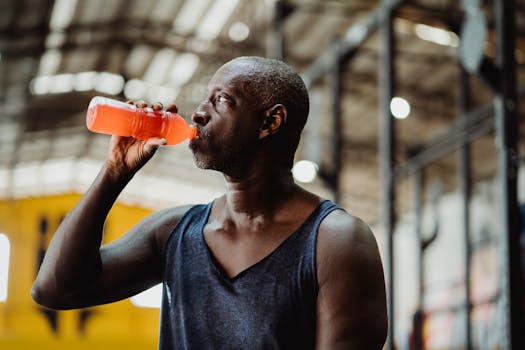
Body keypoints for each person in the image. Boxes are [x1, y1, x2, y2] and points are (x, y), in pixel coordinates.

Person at [32, 56, 388, 349]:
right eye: (206, 97)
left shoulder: (336, 242)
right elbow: (55, 289)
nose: (199, 113)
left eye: (222, 99)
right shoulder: (174, 233)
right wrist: (114, 172)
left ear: (270, 122)